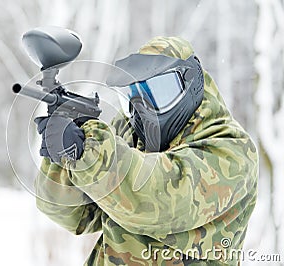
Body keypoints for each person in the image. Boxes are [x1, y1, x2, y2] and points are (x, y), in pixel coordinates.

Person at [34, 37, 258, 265]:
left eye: (158, 91)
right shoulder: (130, 133)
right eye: (135, 95)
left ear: (192, 82)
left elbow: (159, 198)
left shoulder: (232, 150)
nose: (144, 107)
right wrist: (66, 154)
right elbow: (76, 216)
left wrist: (93, 153)